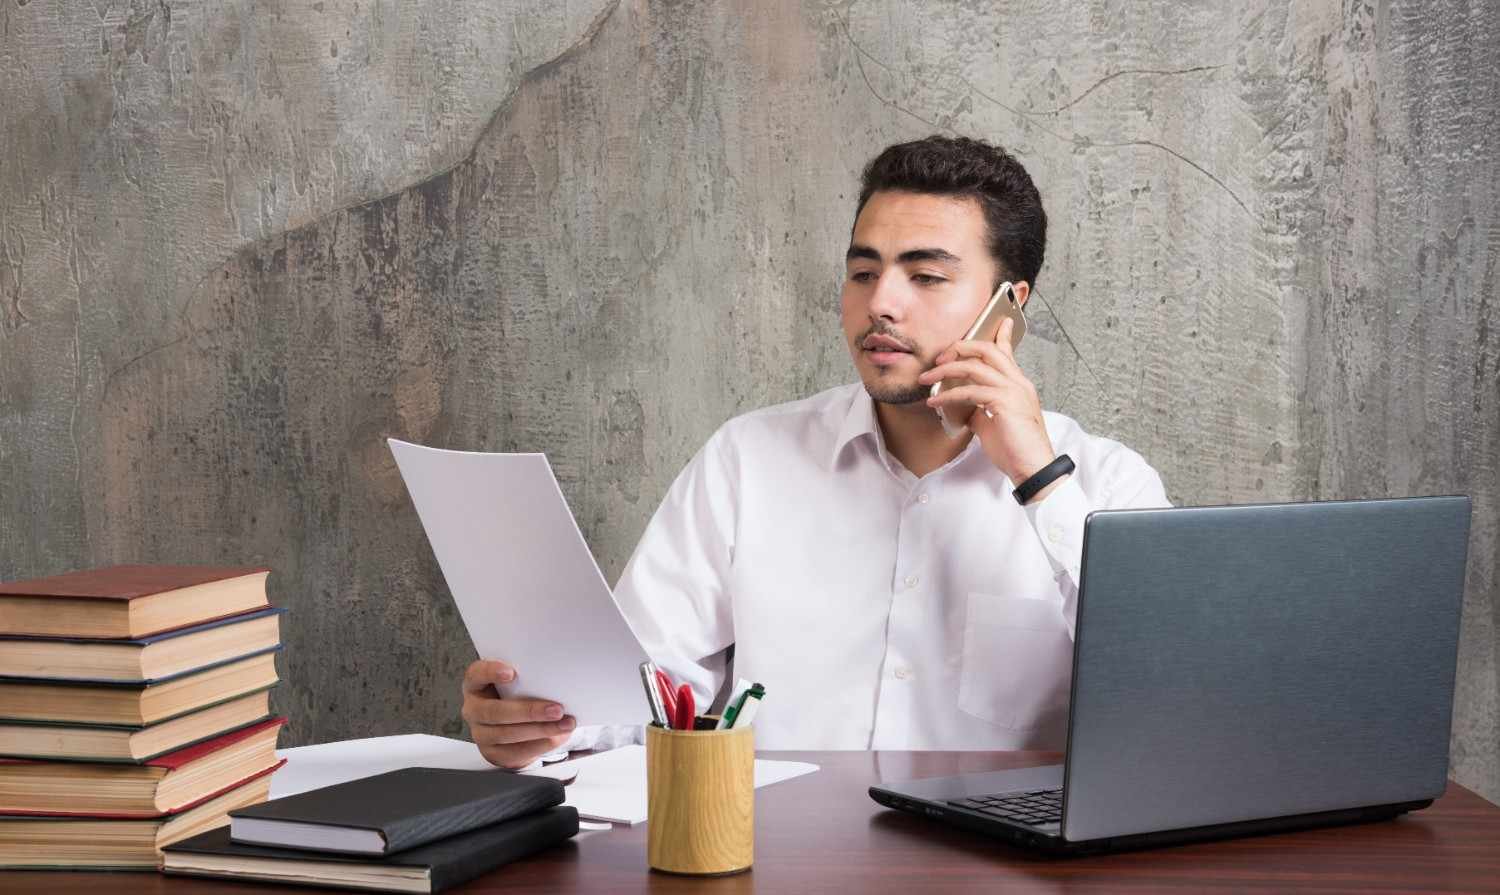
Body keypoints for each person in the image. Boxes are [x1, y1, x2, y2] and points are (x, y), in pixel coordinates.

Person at [461, 136, 1170, 769]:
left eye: (925, 276)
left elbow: (1168, 689)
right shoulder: (749, 460)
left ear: (1009, 305)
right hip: (771, 861)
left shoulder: (1105, 484)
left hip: (997, 869)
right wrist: (541, 724)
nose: (881, 303)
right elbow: (640, 688)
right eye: (864, 272)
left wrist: (1042, 481)